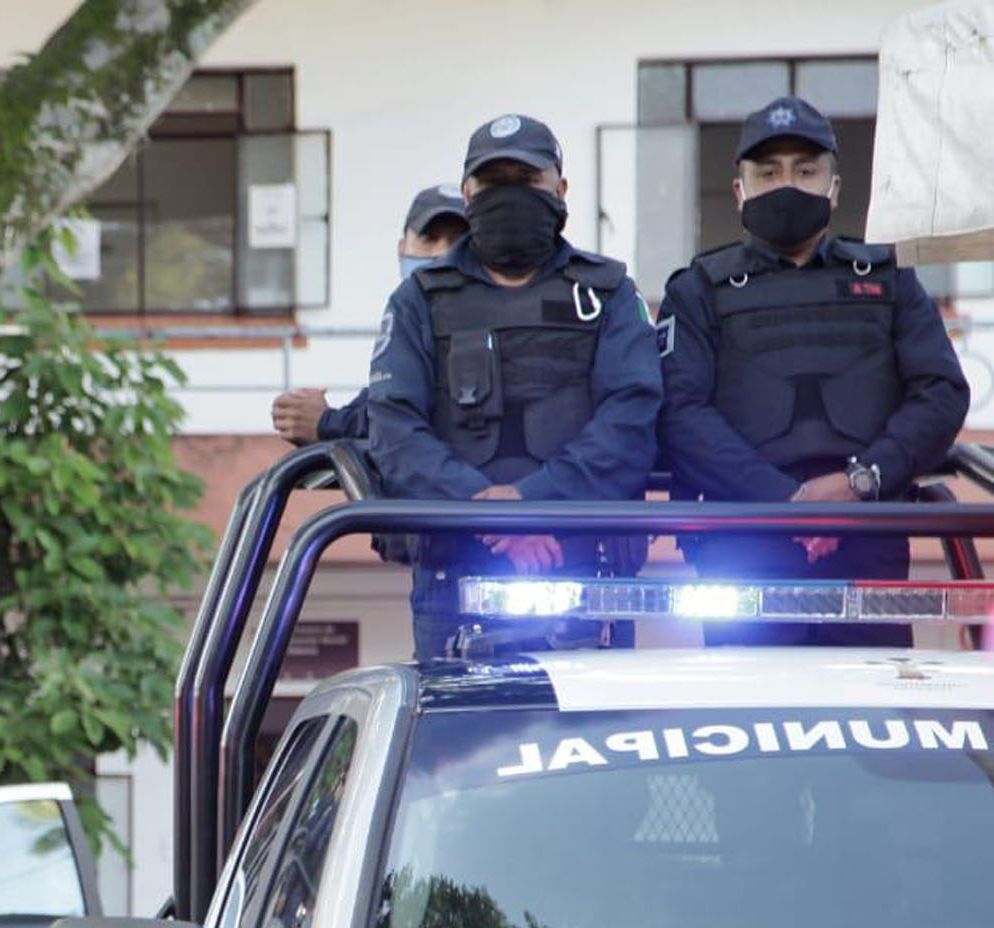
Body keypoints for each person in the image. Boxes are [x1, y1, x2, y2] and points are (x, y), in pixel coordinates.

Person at [658, 96, 969, 648]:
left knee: (877, 715)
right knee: (742, 723)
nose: (788, 186)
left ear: (834, 187)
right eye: (768, 172)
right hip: (745, 543)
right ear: (739, 190)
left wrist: (859, 483)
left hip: (869, 531)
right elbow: (680, 412)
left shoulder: (889, 279)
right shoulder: (698, 289)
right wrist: (786, 504)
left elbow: (940, 392)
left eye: (806, 171)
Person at [366, 114, 661, 659]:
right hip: (453, 578)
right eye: (492, 183)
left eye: (525, 182)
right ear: (467, 193)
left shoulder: (609, 293)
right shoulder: (418, 300)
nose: (508, 196)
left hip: (587, 575)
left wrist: (530, 503)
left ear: (560, 189)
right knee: (456, 744)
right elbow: (393, 428)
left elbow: (631, 420)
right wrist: (488, 510)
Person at [271, 186, 470, 446]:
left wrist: (326, 423)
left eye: (458, 242)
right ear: (402, 249)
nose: (441, 254)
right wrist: (303, 415)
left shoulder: (486, 324)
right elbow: (383, 401)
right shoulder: (409, 323)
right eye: (429, 238)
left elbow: (411, 420)